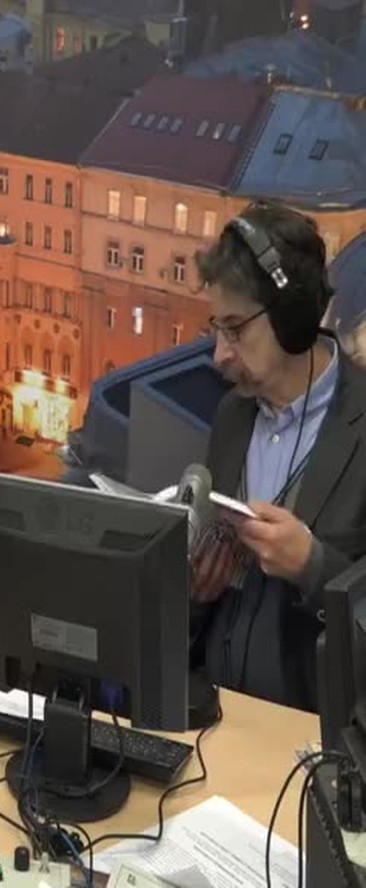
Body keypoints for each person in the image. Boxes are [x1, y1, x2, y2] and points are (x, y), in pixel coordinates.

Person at [190, 201, 366, 711]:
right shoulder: (232, 415)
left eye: (235, 329)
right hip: (215, 721)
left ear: (292, 319)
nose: (220, 355)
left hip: (309, 735)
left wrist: (313, 566)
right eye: (216, 329)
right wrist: (199, 589)